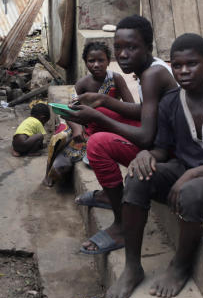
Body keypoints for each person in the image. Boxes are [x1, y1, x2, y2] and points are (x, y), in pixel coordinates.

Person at [107, 33, 203, 298]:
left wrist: (193, 173)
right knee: (138, 177)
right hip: (181, 173)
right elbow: (162, 149)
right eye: (177, 65)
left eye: (192, 63)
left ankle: (180, 266)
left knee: (193, 191)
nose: (184, 71)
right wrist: (145, 155)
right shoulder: (171, 101)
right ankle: (132, 267)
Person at [59, 15, 177, 255]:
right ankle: (110, 193)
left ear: (148, 48)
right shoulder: (150, 69)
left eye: (132, 47)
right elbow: (144, 110)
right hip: (159, 137)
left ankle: (122, 224)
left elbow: (145, 137)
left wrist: (98, 116)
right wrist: (102, 101)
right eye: (119, 47)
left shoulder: (152, 75)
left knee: (97, 144)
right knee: (101, 110)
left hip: (166, 151)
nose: (123, 54)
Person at [41, 41, 135, 188]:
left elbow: (131, 107)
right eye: (91, 61)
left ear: (108, 61)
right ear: (85, 62)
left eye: (101, 60)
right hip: (87, 130)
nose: (96, 65)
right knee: (59, 154)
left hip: (112, 126)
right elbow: (69, 111)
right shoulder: (82, 84)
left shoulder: (116, 79)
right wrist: (77, 129)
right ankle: (49, 173)